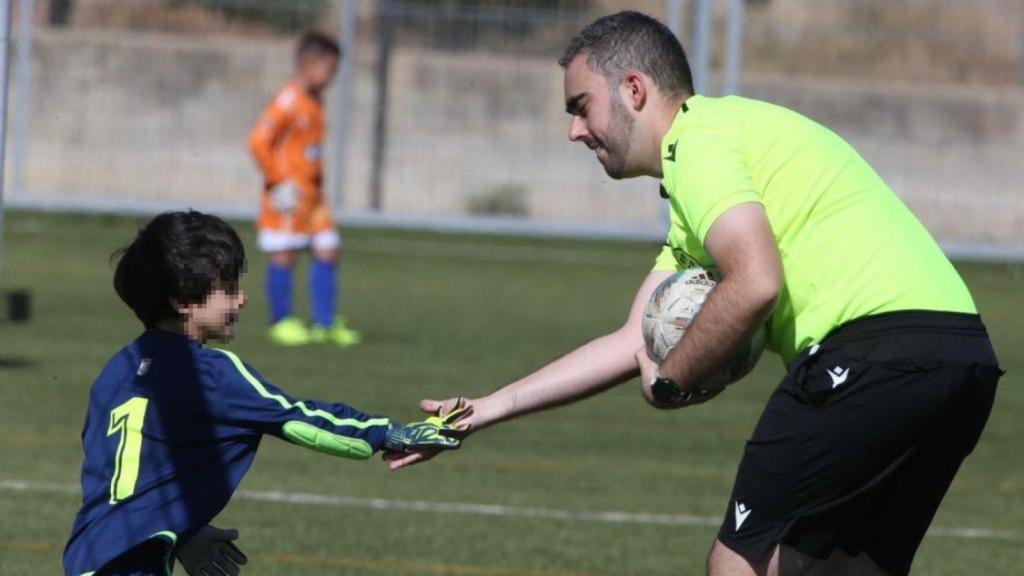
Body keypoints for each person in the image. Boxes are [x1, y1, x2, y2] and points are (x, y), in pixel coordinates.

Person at [387, 11, 1004, 576]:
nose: (575, 131)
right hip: (960, 361)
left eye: (581, 106)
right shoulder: (706, 178)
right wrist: (487, 408)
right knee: (844, 569)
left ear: (634, 89)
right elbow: (632, 340)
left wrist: (673, 378)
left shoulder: (699, 144)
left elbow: (756, 280)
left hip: (869, 356)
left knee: (737, 564)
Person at [63, 211, 467, 576]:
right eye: (229, 288)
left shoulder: (116, 371)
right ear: (183, 301)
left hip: (89, 558)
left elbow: (122, 471)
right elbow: (300, 419)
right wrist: (392, 433)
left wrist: (180, 533)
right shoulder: (212, 373)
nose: (242, 298)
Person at [248, 31, 361, 347]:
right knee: (284, 254)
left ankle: (324, 323)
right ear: (308, 64)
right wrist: (278, 180)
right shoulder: (288, 100)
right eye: (329, 69)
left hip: (313, 195)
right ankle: (281, 321)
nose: (332, 77)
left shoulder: (314, 100)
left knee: (328, 248)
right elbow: (258, 141)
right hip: (288, 195)